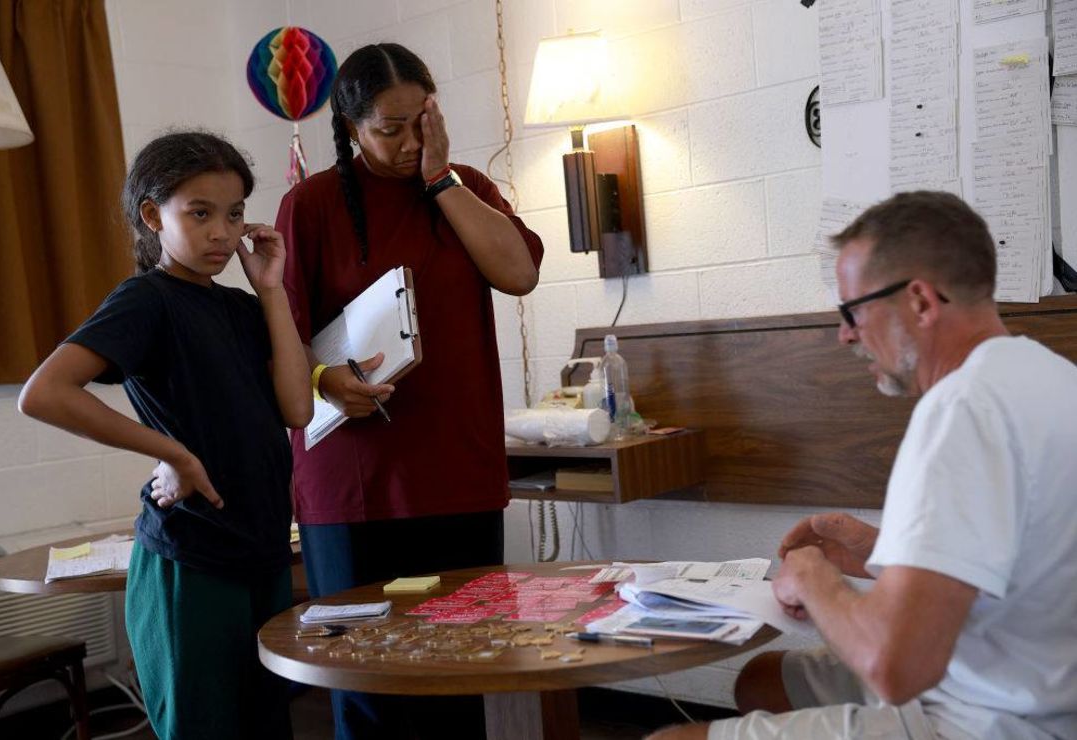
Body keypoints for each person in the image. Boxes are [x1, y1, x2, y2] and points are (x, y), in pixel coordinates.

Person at [647, 191, 1077, 740]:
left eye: (854, 311)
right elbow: (1019, 555)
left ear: (920, 301)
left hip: (987, 720)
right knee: (761, 681)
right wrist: (880, 551)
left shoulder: (959, 411)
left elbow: (894, 668)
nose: (845, 333)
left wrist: (814, 577)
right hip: (1033, 680)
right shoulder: (1047, 376)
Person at [275, 42, 542, 739]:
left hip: (458, 469)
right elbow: (279, 332)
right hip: (355, 483)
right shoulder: (310, 204)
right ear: (352, 126)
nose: (406, 141)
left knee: (460, 666)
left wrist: (441, 177)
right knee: (367, 677)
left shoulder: (465, 186)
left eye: (420, 120)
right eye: (388, 128)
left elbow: (519, 273)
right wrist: (322, 379)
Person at [18, 131, 313, 740]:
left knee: (267, 724)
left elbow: (297, 407)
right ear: (153, 215)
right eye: (199, 214)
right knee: (201, 726)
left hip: (260, 551)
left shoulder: (239, 307)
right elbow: (44, 393)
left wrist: (272, 291)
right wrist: (171, 452)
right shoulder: (145, 299)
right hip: (193, 557)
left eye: (233, 216)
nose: (222, 235)